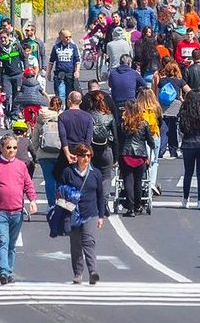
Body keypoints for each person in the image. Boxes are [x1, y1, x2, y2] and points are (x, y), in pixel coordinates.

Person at [0, 134, 37, 285]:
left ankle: (9, 271)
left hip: (17, 210)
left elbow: (28, 184)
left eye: (14, 148)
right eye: (8, 147)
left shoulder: (21, 165)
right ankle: (3, 271)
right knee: (3, 240)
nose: (11, 150)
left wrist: (32, 201)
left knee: (12, 243)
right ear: (2, 148)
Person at [60, 144, 105, 285]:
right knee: (76, 244)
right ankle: (78, 273)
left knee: (89, 242)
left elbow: (100, 195)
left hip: (90, 212)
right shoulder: (68, 172)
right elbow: (60, 191)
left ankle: (93, 271)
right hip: (72, 212)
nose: (86, 158)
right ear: (77, 156)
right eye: (83, 155)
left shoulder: (95, 173)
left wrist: (101, 216)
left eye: (89, 155)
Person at [116, 101, 154, 216]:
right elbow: (150, 140)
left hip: (126, 154)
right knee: (138, 182)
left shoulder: (123, 123)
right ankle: (138, 205)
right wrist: (151, 149)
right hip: (140, 155)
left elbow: (119, 138)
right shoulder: (144, 123)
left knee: (128, 180)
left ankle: (130, 208)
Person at [178, 91, 200, 209]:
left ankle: (185, 199)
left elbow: (181, 128)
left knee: (188, 173)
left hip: (188, 144)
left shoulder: (184, 113)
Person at [87, 91, 118, 211]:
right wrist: (116, 157)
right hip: (106, 149)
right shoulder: (109, 116)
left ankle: (94, 200)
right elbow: (115, 138)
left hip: (92, 150)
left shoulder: (88, 115)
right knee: (106, 177)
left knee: (92, 175)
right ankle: (104, 201)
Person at [32, 96, 63, 208]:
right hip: (60, 153)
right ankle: (60, 204)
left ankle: (51, 205)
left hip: (44, 153)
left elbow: (35, 137)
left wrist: (36, 152)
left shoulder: (42, 116)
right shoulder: (63, 117)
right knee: (60, 180)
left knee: (49, 180)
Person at [0, 31, 26, 116]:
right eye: (1, 38)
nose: (3, 39)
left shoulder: (16, 45)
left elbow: (24, 57)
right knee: (6, 96)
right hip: (6, 75)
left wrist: (26, 71)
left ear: (8, 37)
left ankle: (14, 113)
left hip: (18, 74)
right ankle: (6, 113)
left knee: (17, 96)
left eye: (4, 37)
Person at [47, 29, 81, 107]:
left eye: (70, 37)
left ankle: (69, 110)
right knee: (61, 93)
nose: (68, 38)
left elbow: (77, 60)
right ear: (61, 37)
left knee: (69, 94)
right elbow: (51, 61)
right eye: (66, 37)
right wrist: (48, 73)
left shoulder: (73, 47)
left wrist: (77, 71)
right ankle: (61, 109)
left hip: (70, 74)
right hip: (59, 74)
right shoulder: (56, 47)